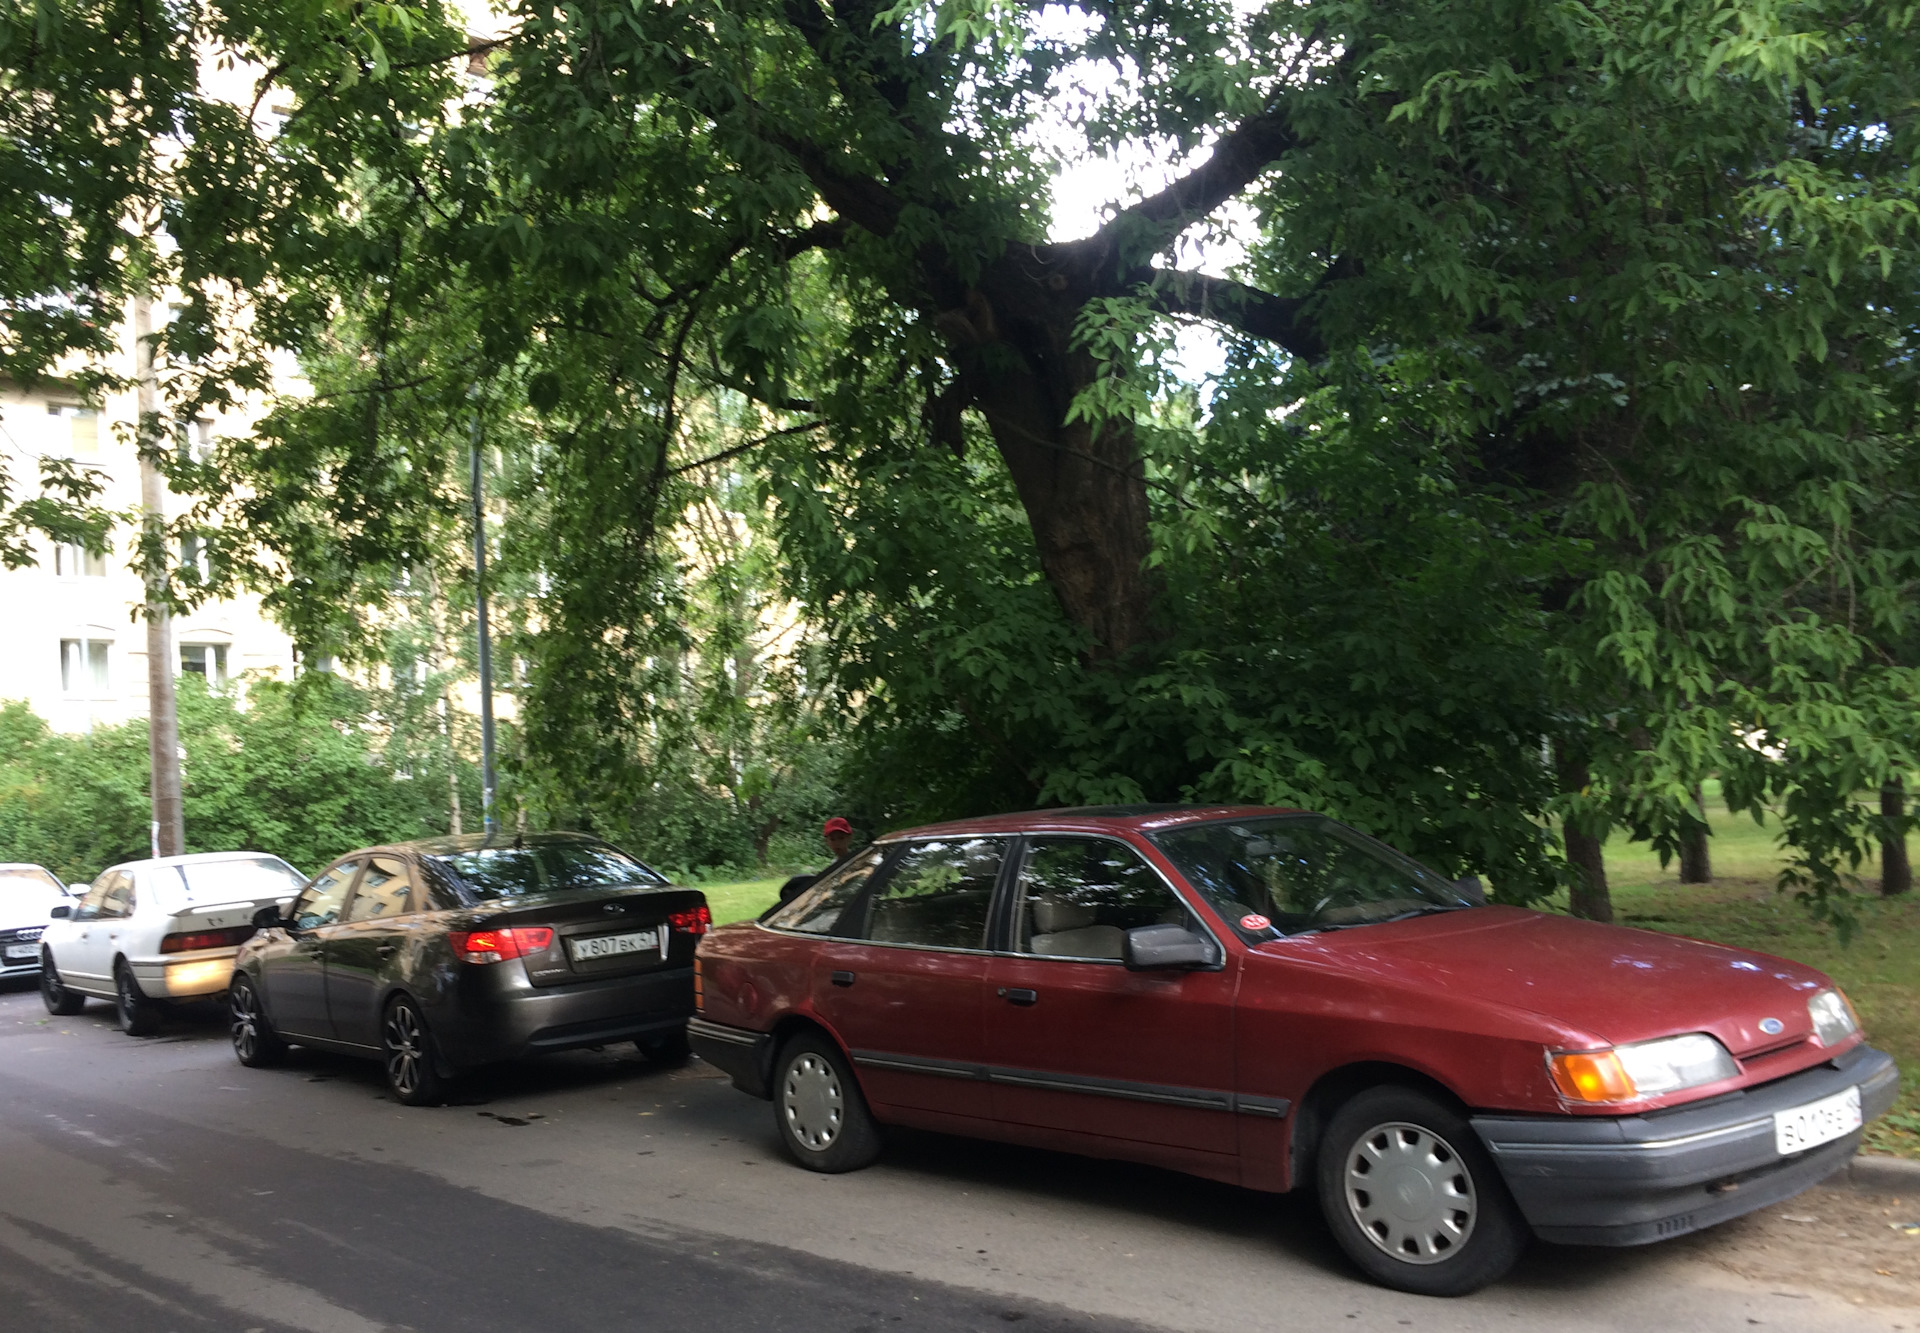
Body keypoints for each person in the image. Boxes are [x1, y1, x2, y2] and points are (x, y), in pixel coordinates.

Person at [773, 817, 858, 907]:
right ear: (827, 842)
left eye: (841, 838)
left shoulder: (857, 862)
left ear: (849, 838)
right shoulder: (833, 866)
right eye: (832, 839)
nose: (837, 843)